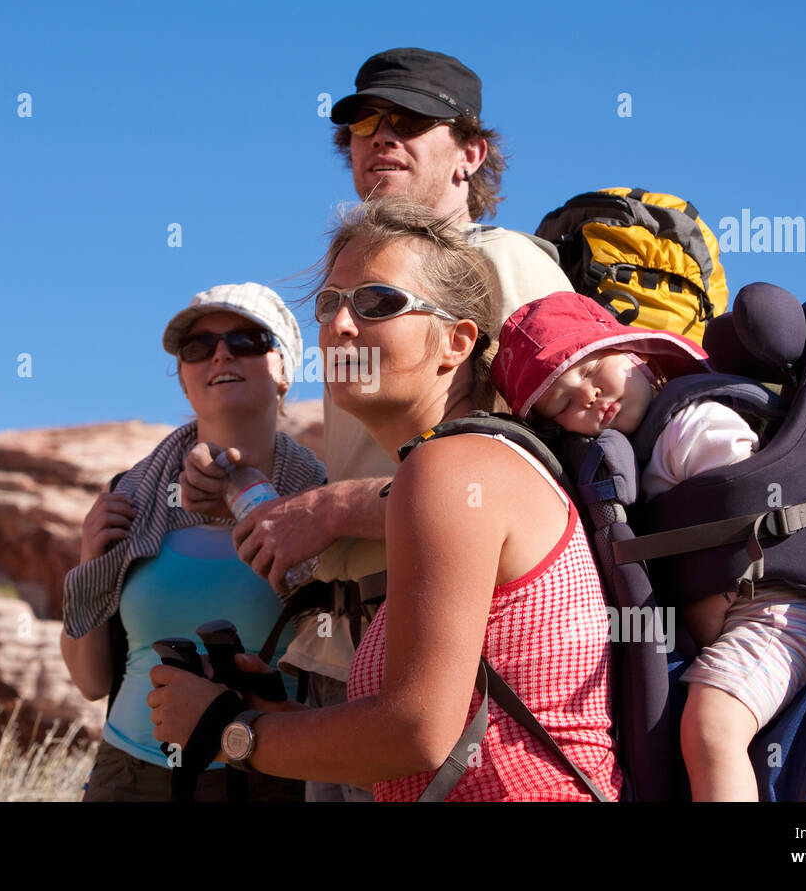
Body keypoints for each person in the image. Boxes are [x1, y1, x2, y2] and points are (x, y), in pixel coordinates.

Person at [180, 49, 574, 799]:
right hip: (342, 655)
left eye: (410, 121)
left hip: (458, 664)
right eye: (363, 124)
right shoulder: (357, 295)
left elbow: (549, 471)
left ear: (471, 153)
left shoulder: (505, 264)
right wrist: (251, 492)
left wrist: (329, 510)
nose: (379, 137)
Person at [149, 198, 623, 802]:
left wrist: (228, 730)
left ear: (456, 342)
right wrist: (272, 716)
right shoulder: (460, 462)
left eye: (377, 302)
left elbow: (415, 733)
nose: (341, 326)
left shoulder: (452, 469)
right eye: (330, 303)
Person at [490, 291, 806, 801]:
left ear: (638, 354)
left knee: (711, 730)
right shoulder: (639, 457)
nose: (587, 395)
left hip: (777, 614)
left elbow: (752, 495)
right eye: (563, 402)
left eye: (594, 368)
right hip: (738, 626)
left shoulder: (694, 423)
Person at [61, 282, 326, 802]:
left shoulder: (320, 502)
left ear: (284, 370)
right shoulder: (130, 497)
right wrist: (89, 560)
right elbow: (91, 682)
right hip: (129, 777)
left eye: (247, 340)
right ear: (184, 381)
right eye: (197, 348)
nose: (221, 354)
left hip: (273, 773)